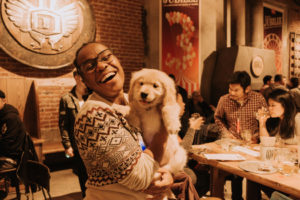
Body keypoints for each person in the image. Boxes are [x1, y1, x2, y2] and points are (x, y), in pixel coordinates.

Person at [73, 42, 200, 200]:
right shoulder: (93, 115)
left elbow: (158, 157)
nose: (101, 65)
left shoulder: (131, 101)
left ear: (118, 61)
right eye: (90, 66)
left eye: (106, 57)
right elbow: (140, 176)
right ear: (83, 79)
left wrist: (168, 173)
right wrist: (162, 122)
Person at [214, 71, 267, 200]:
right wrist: (226, 134)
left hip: (253, 144)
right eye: (230, 89)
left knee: (253, 175)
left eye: (236, 90)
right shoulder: (224, 100)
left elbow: (266, 118)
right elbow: (217, 118)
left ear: (247, 88)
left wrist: (257, 135)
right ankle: (236, 197)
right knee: (235, 174)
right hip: (233, 144)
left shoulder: (258, 99)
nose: (231, 93)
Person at [248, 88, 300, 199]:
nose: (269, 109)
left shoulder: (297, 119)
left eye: (273, 105)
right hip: (278, 165)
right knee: (252, 178)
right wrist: (262, 123)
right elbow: (267, 143)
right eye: (269, 105)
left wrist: (282, 146)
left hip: (293, 170)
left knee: (256, 180)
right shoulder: (277, 120)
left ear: (285, 105)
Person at [58, 70, 89, 197]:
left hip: (94, 143)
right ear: (76, 77)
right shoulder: (66, 99)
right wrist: (67, 145)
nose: (84, 79)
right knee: (82, 174)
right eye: (81, 76)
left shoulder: (93, 95)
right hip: (78, 145)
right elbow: (63, 125)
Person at [0, 90, 26, 163]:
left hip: (12, 156)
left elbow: (8, 143)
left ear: (4, 101)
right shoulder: (1, 114)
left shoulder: (11, 118)